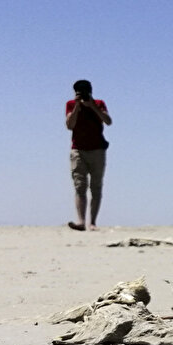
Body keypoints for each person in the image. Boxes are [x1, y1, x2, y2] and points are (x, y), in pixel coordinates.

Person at [65, 79, 112, 231]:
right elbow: (69, 125)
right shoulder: (71, 105)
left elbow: (108, 121)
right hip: (78, 149)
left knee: (96, 187)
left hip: (97, 149)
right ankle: (81, 221)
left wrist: (92, 105)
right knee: (80, 186)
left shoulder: (99, 103)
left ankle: (92, 223)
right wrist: (78, 106)